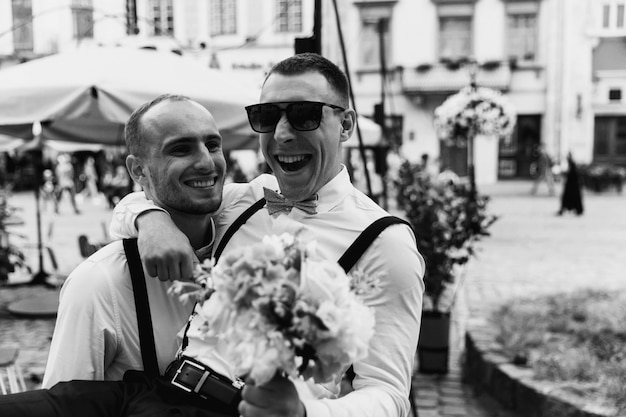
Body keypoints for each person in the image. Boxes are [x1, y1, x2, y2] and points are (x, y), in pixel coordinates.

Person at [110, 53, 424, 417]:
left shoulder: (385, 242)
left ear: (346, 125)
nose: (282, 134)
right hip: (162, 391)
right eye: (267, 117)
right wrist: (151, 219)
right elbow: (147, 195)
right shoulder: (246, 199)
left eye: (304, 115)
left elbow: (389, 394)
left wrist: (305, 414)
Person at [41, 94, 226, 388]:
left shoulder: (249, 236)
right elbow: (64, 404)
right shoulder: (98, 283)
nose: (206, 162)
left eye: (213, 145)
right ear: (138, 170)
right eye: (181, 149)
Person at [558, 152, 584, 216]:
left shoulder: (572, 164)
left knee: (568, 198)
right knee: (566, 198)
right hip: (571, 186)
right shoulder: (571, 164)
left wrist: (566, 174)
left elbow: (573, 174)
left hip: (572, 186)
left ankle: (574, 210)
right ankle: (563, 210)